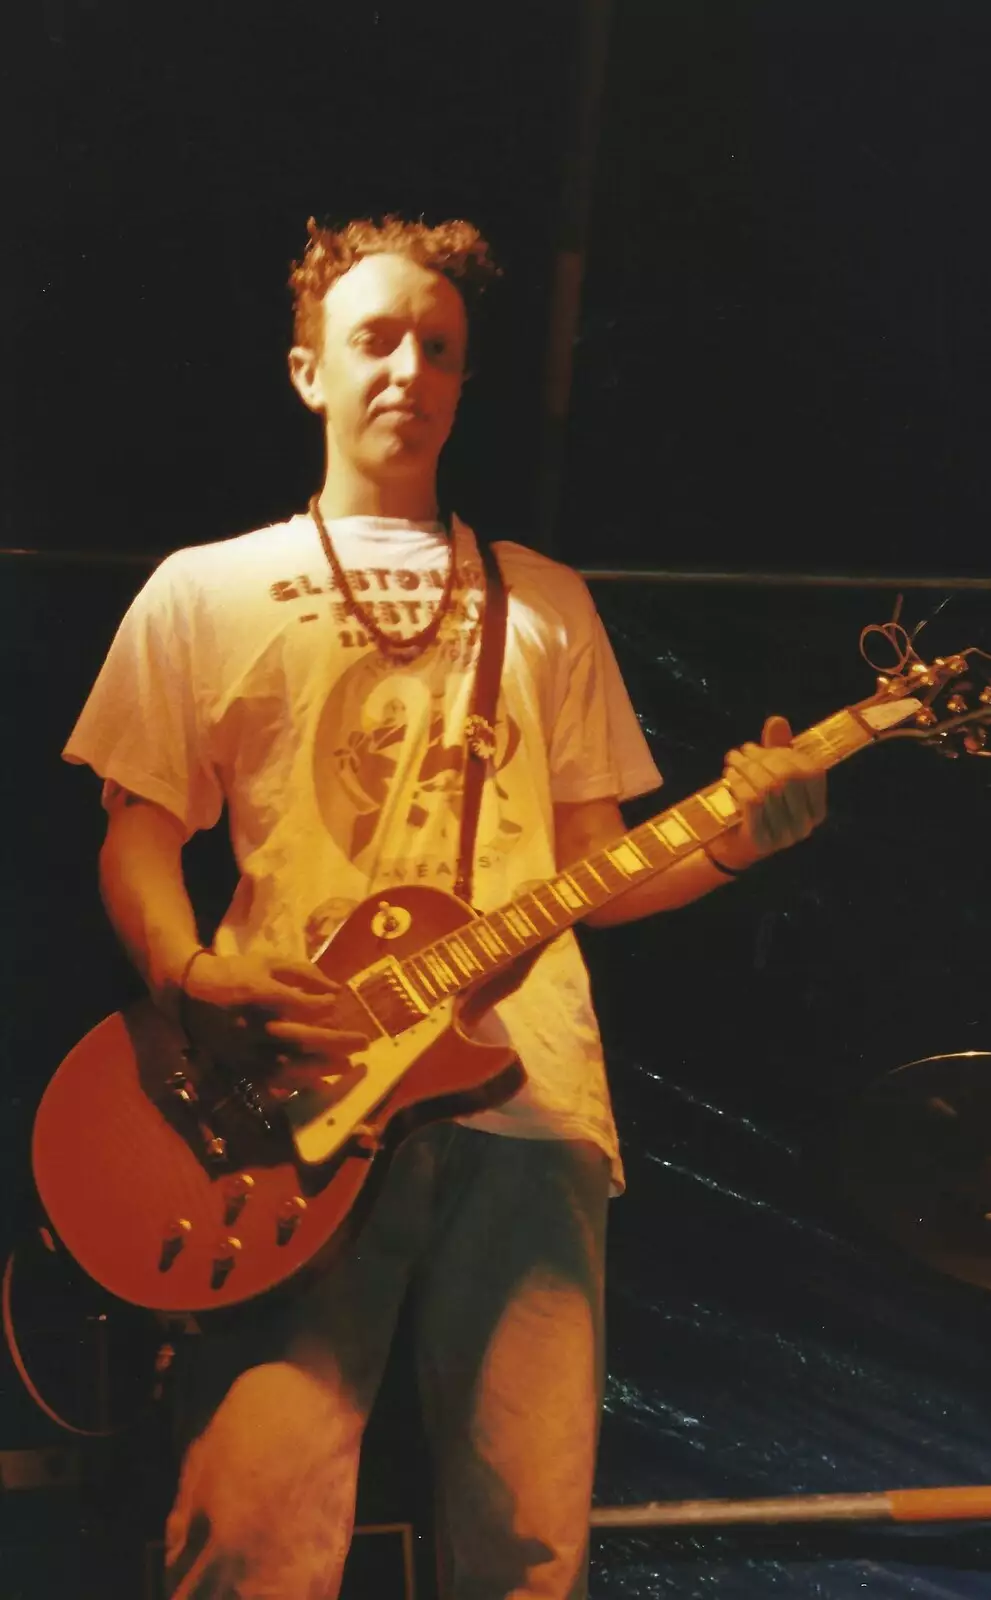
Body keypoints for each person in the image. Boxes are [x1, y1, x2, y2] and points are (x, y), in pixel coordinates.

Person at [62, 216, 827, 1600]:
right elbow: (137, 833)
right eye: (375, 339)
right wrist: (184, 971)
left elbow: (595, 867)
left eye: (440, 347)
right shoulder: (203, 590)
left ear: (466, 383)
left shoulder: (544, 602)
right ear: (308, 370)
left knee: (526, 1549)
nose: (408, 366)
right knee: (249, 1538)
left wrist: (733, 843)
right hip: (288, 1107)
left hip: (528, 1103)